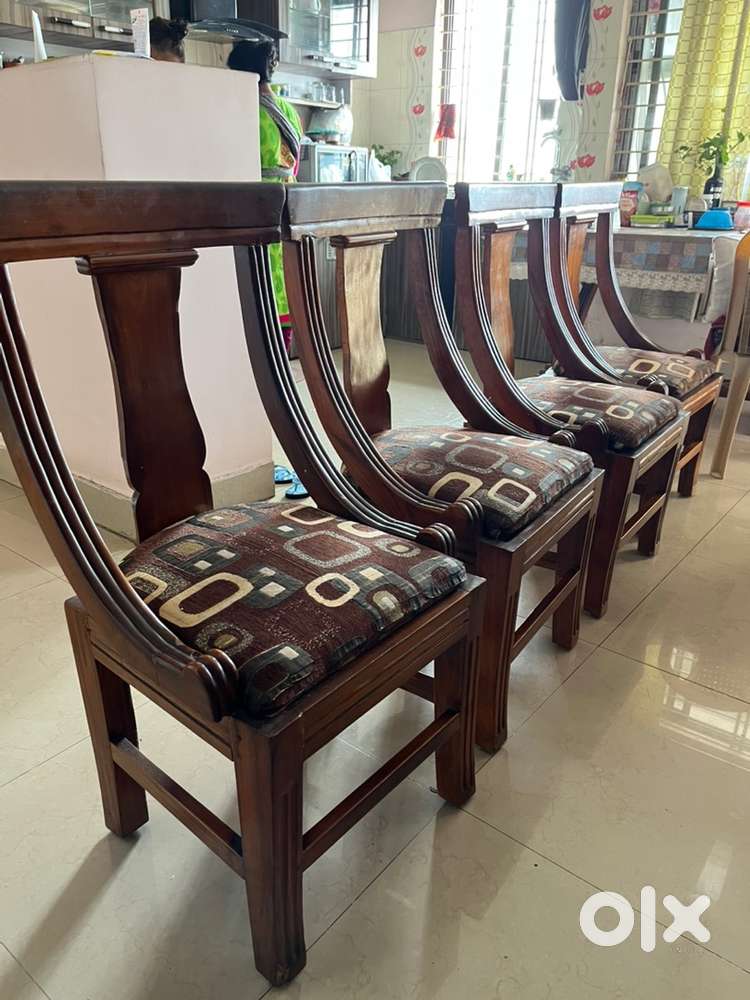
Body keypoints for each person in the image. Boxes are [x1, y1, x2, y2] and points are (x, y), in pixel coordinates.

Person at [227, 40, 308, 498]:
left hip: (250, 238)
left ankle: (265, 456)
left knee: (256, 363)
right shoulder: (288, 112)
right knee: (279, 360)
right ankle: (283, 458)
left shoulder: (239, 111)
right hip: (283, 237)